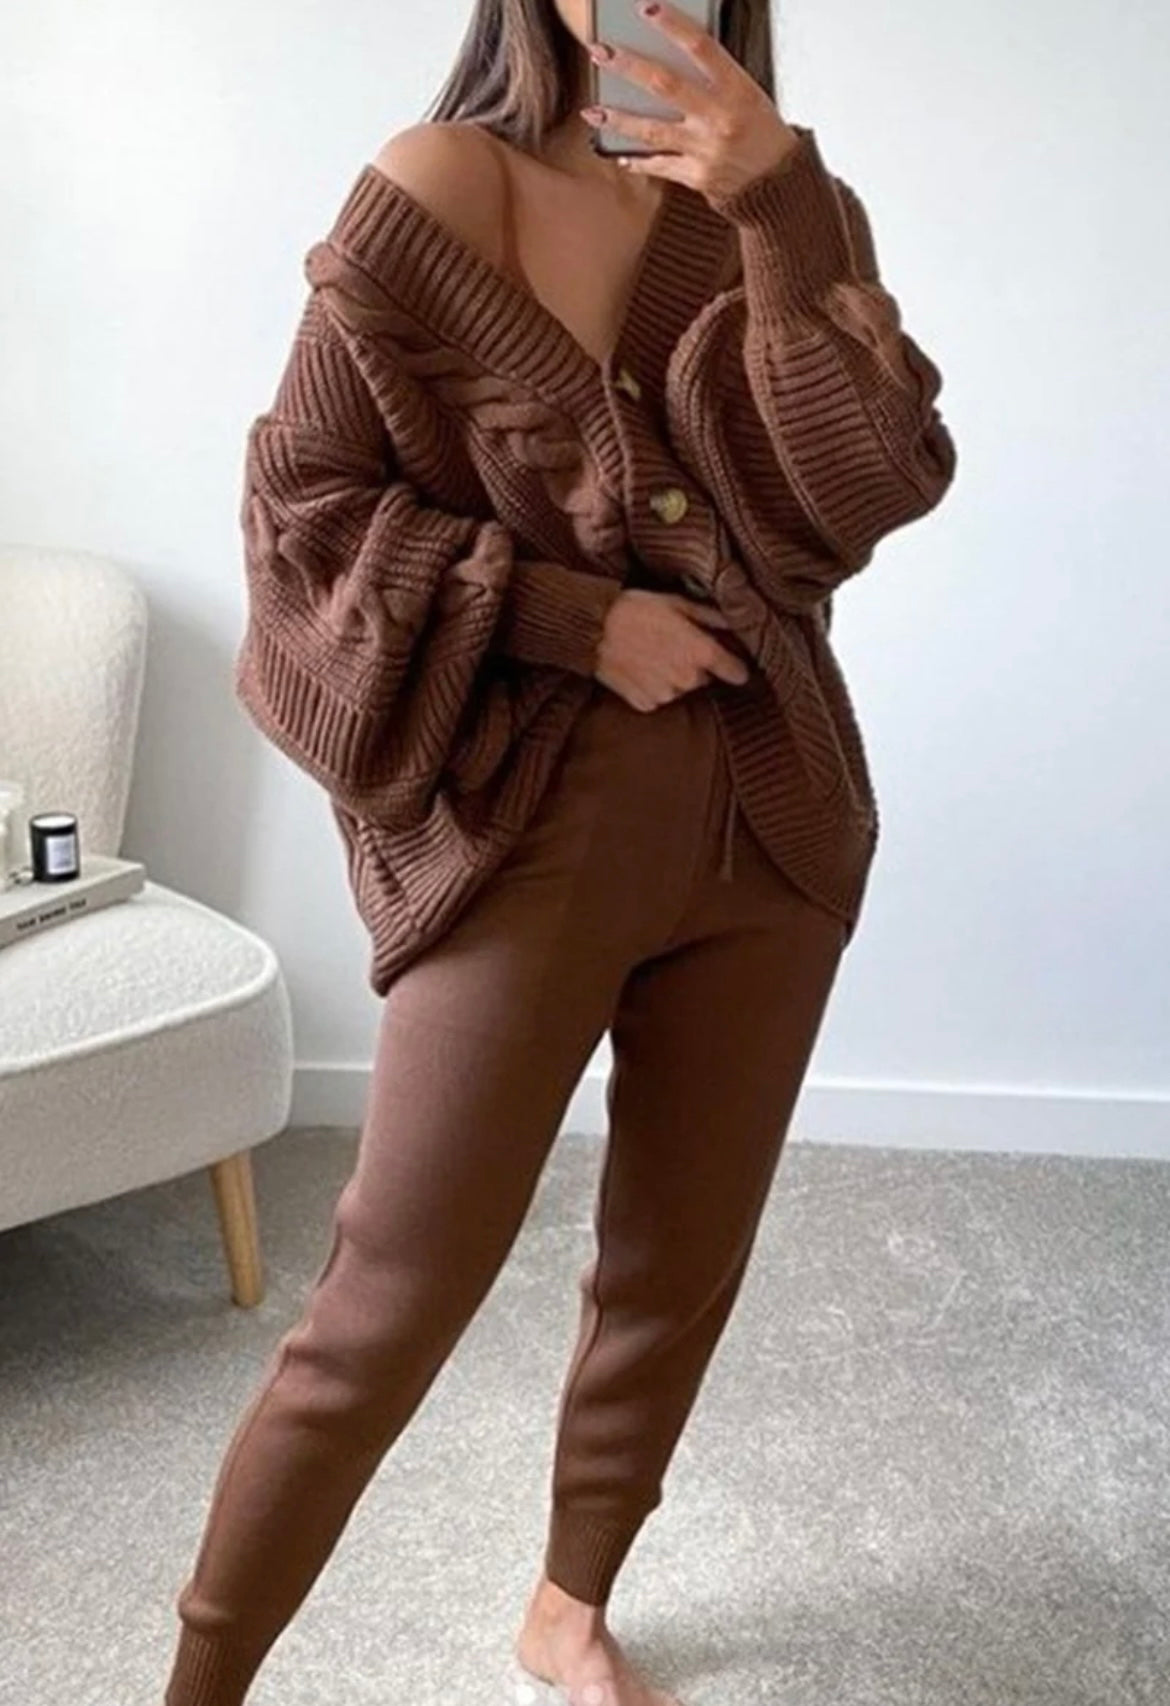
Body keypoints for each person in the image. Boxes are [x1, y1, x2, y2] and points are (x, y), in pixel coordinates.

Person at [162, 2, 957, 1703]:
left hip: (772, 812)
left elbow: (862, 492)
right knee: (386, 1295)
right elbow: (298, 515)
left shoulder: (791, 204)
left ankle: (569, 1607)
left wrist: (775, 211)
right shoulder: (438, 184)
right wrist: (572, 619)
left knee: (675, 1264)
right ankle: (202, 1678)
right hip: (532, 820)